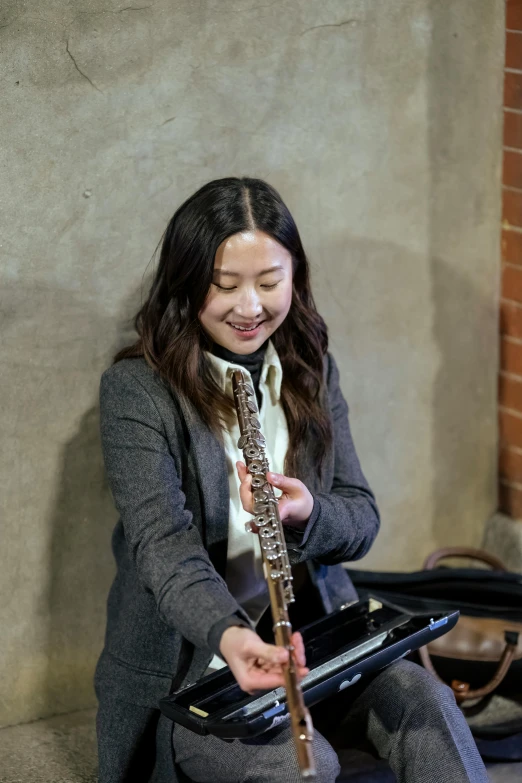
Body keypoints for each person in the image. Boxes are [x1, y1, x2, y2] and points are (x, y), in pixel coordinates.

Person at [94, 177, 489, 782]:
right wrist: (230, 637)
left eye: (270, 283)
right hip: (202, 672)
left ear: (296, 277)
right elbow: (163, 550)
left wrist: (308, 514)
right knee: (298, 765)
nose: (250, 307)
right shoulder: (138, 392)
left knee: (425, 700)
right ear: (185, 280)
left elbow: (361, 516)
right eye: (225, 286)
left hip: (319, 649)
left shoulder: (310, 365)